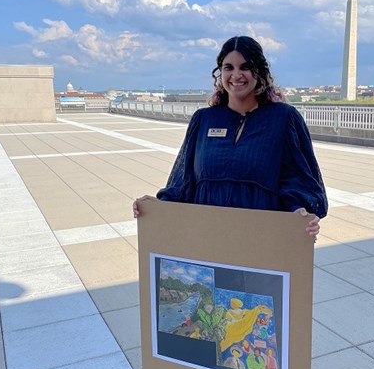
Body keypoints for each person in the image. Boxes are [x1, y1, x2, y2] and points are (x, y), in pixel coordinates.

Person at [133, 35, 327, 237]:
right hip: (207, 236)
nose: (236, 75)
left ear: (259, 71)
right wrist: (158, 206)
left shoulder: (284, 118)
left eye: (245, 67)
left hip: (262, 238)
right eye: (228, 67)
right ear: (220, 73)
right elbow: (183, 180)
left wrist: (300, 211)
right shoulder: (203, 119)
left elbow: (299, 178)